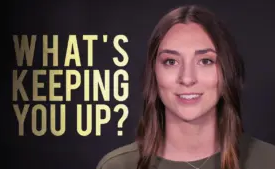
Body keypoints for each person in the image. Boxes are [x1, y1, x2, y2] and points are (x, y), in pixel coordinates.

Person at [96, 4, 275, 169]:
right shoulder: (118, 165)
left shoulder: (268, 161)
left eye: (205, 61)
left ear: (226, 71)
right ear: (154, 73)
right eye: (171, 61)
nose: (187, 78)